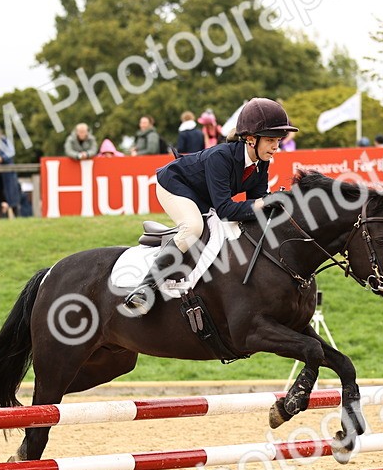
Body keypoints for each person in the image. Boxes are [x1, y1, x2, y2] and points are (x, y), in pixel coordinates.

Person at [122, 97, 296, 315]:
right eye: (271, 140)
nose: (276, 147)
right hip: (174, 185)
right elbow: (226, 210)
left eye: (278, 140)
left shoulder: (262, 163)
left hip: (203, 195)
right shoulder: (221, 157)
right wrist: (264, 203)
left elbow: (256, 202)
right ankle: (144, 288)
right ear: (251, 139)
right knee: (193, 228)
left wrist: (277, 205)